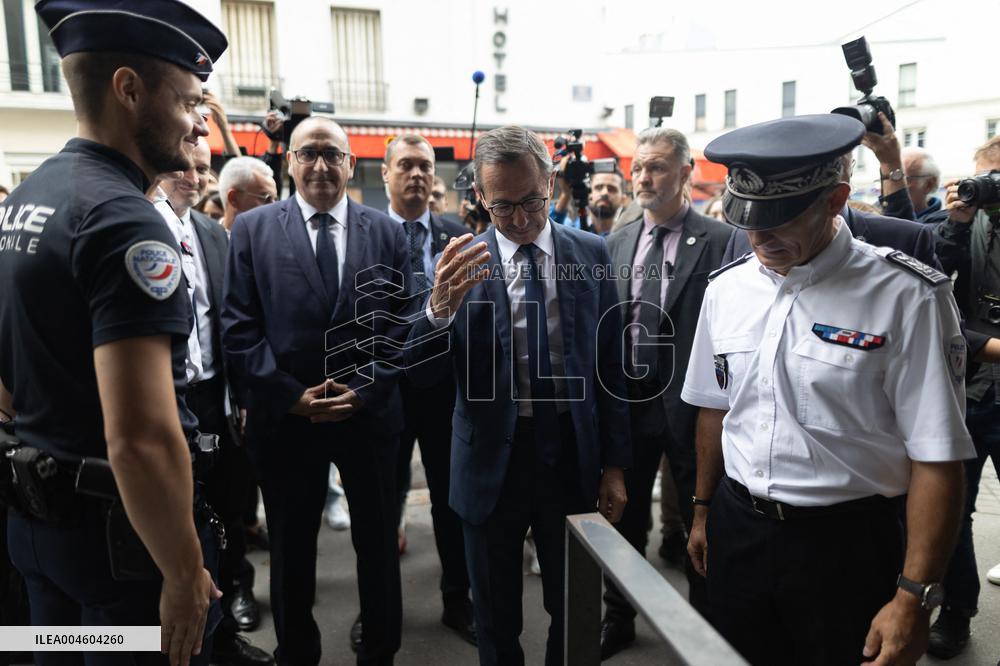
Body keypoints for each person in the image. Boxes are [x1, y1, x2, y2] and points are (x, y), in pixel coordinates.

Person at [682, 113, 973, 666]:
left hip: (846, 546)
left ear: (836, 199)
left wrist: (914, 596)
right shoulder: (726, 289)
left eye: (781, 218)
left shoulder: (906, 296)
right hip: (738, 529)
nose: (760, 237)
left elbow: (937, 457)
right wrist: (701, 510)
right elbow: (716, 409)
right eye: (748, 218)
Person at [0, 2, 227, 666]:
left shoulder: (29, 198)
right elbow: (142, 437)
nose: (198, 123)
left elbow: (9, 386)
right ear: (129, 90)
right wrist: (183, 574)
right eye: (188, 101)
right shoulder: (124, 219)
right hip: (121, 553)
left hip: (41, 534)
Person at [403, 125, 631, 666]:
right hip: (489, 462)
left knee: (572, 610)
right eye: (504, 206)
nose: (523, 219)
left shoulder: (591, 253)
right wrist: (437, 311)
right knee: (495, 620)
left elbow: (611, 367)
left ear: (550, 184)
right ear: (481, 197)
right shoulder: (458, 262)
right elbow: (416, 371)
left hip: (569, 457)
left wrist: (616, 465)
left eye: (532, 201)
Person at [222, 116, 412, 666]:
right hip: (286, 422)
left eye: (333, 154)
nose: (321, 165)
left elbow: (404, 324)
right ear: (290, 162)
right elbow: (239, 327)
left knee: (377, 547)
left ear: (351, 163)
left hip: (367, 418)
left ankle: (380, 650)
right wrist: (291, 396)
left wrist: (363, 390)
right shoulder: (253, 229)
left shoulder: (388, 232)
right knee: (290, 549)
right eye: (308, 153)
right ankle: (297, 653)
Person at [600, 126, 730, 659]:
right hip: (628, 402)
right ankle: (619, 615)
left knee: (705, 517)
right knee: (622, 516)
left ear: (685, 172)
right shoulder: (616, 242)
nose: (643, 177)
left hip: (693, 407)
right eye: (637, 168)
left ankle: (705, 629)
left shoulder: (722, 241)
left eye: (655, 167)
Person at [156, 138, 271, 666]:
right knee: (178, 513)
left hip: (216, 398)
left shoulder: (213, 234)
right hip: (164, 398)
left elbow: (232, 320)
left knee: (229, 505)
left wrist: (241, 395)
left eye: (202, 168)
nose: (194, 175)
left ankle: (230, 613)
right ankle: (185, 637)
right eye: (185, 165)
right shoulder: (140, 225)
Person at [381, 134, 476, 644]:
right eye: (406, 165)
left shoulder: (458, 235)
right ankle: (378, 609)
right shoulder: (367, 233)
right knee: (380, 504)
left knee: (449, 500)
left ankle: (457, 599)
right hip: (384, 392)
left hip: (443, 392)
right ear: (386, 173)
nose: (417, 174)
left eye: (425, 166)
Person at [928, 135, 1000, 658]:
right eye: (984, 176)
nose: (989, 186)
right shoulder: (965, 221)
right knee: (952, 510)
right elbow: (933, 273)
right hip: (971, 386)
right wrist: (957, 220)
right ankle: (957, 609)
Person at [550, 163, 627, 236]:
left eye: (611, 189)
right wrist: (565, 194)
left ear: (623, 199)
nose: (604, 193)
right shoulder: (570, 230)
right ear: (588, 193)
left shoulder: (628, 237)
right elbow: (549, 230)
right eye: (598, 187)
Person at [217, 156, 278, 234]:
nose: (274, 207)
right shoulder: (205, 239)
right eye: (267, 199)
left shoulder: (277, 239)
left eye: (275, 199)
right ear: (233, 198)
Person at [903, 147, 946, 224]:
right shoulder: (881, 212)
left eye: (902, 179)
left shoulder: (942, 226)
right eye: (886, 178)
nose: (890, 186)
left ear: (929, 185)